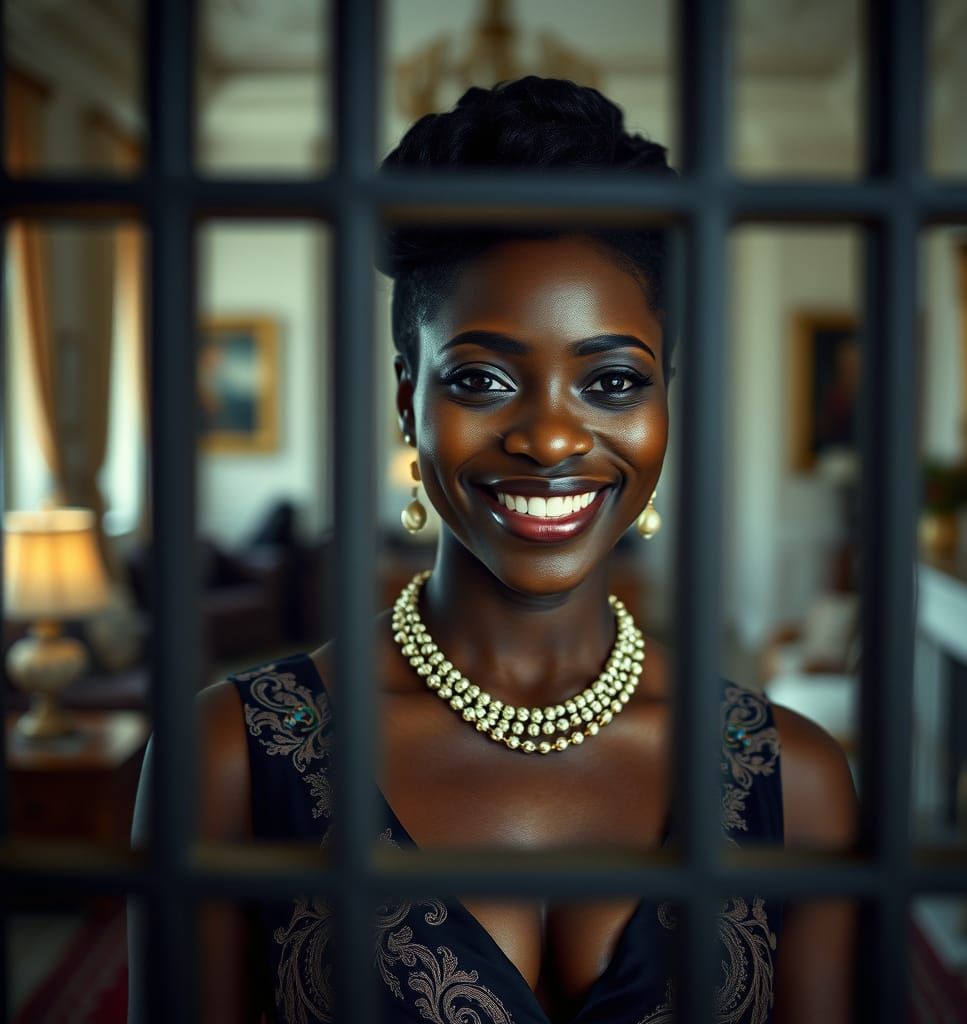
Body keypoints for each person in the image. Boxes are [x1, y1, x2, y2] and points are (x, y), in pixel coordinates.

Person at [130, 77, 857, 1024]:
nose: (551, 440)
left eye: (610, 381)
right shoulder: (227, 759)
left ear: (664, 402)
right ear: (407, 400)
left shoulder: (793, 779)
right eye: (481, 377)